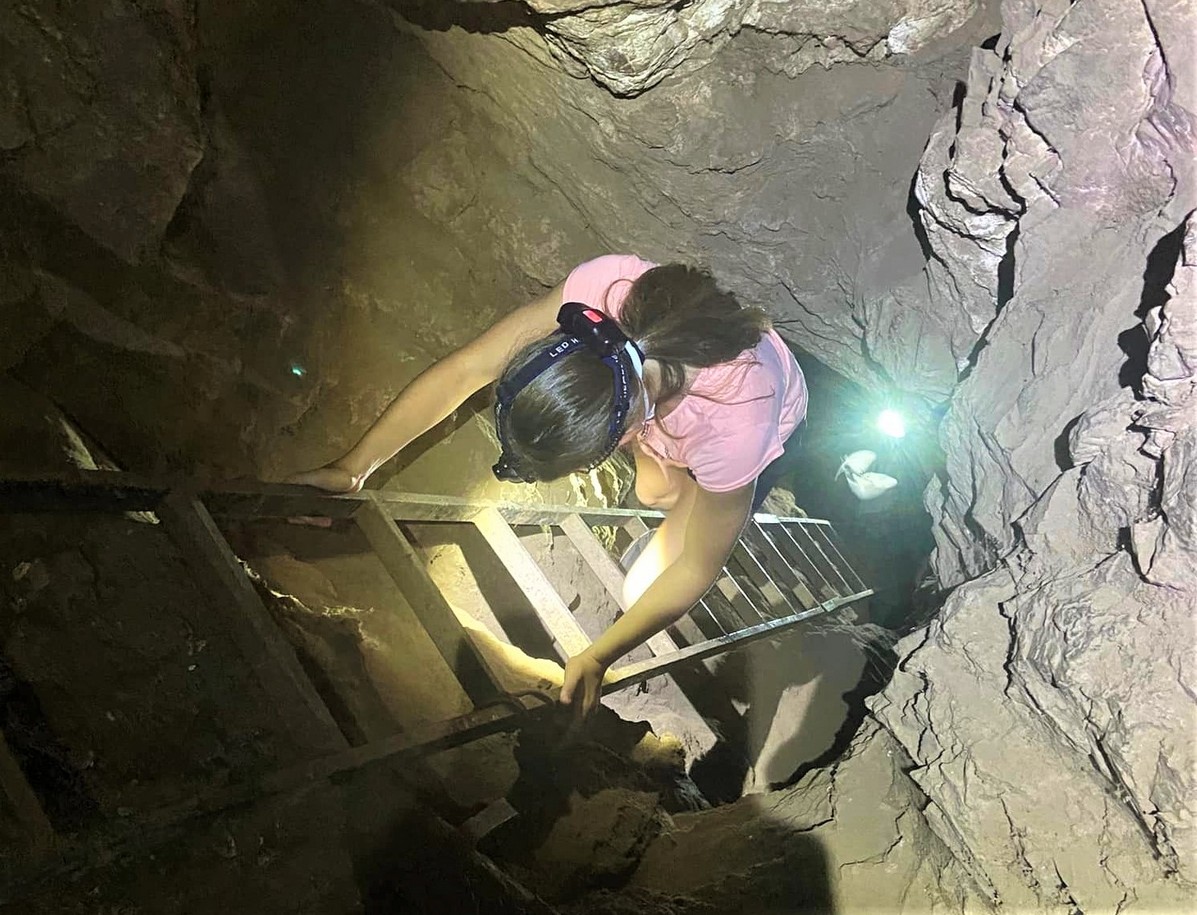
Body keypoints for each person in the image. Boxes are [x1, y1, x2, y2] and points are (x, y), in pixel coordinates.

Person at [288, 254, 808, 717]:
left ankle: (692, 493)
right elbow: (468, 368)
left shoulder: (736, 426)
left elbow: (700, 566)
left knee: (639, 587)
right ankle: (677, 492)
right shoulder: (603, 290)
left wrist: (599, 655)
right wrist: (352, 467)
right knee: (651, 494)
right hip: (654, 403)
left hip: (753, 420)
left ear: (624, 434)